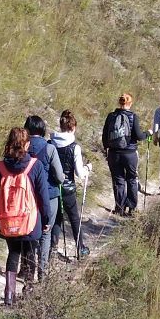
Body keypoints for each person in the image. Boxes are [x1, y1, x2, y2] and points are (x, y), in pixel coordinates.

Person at [0, 127, 48, 306]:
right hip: (29, 220)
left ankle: (9, 294)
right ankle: (28, 290)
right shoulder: (35, 165)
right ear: (27, 144)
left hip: (8, 220)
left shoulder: (0, 167)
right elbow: (43, 196)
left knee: (13, 254)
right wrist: (45, 220)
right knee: (30, 253)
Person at [24, 115, 64, 282]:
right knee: (45, 234)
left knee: (29, 233)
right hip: (49, 196)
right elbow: (60, 177)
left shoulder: (22, 147)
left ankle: (27, 271)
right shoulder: (49, 148)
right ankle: (42, 273)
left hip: (27, 197)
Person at [51, 111, 91, 260]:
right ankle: (80, 249)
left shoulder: (51, 143)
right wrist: (88, 169)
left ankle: (52, 249)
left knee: (56, 219)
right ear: (73, 127)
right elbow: (80, 173)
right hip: (68, 189)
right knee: (74, 218)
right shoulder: (75, 147)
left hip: (54, 187)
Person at [101, 94, 147, 216]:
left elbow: (104, 135)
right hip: (130, 154)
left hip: (114, 154)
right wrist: (148, 133)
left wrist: (107, 149)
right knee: (131, 179)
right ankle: (132, 207)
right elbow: (138, 136)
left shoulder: (111, 116)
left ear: (119, 102)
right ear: (130, 103)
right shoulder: (133, 117)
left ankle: (119, 208)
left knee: (118, 180)